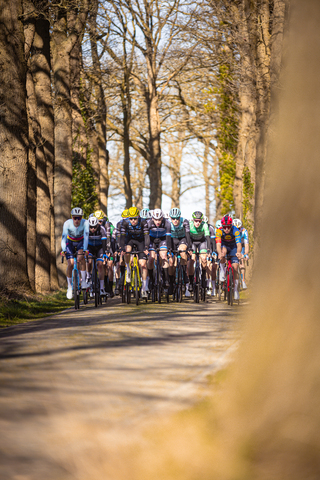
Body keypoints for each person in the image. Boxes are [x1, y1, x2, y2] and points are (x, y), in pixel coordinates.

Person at [120, 206, 150, 297]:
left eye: (135, 219)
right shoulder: (125, 223)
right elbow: (122, 237)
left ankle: (144, 288)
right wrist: (121, 248)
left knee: (143, 265)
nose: (133, 221)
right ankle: (128, 269)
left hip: (140, 241)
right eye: (131, 219)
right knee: (127, 250)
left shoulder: (143, 222)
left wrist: (146, 247)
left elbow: (146, 236)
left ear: (138, 217)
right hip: (129, 240)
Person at [61, 207, 89, 299]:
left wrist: (85, 249)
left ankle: (84, 281)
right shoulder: (67, 223)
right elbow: (64, 238)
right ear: (72, 217)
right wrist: (64, 249)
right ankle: (69, 287)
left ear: (82, 218)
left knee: (81, 258)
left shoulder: (85, 223)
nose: (77, 220)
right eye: (75, 218)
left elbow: (86, 236)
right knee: (70, 264)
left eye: (79, 218)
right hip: (70, 242)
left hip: (81, 241)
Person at [215, 214, 242, 300]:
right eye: (224, 227)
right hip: (224, 246)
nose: (226, 229)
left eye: (228, 227)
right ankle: (222, 270)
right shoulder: (219, 231)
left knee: (235, 267)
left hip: (233, 247)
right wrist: (219, 253)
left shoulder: (235, 230)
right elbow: (218, 245)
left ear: (231, 226)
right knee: (223, 252)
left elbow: (239, 244)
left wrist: (238, 252)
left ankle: (236, 290)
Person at [187, 211, 211, 293]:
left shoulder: (204, 225)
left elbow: (207, 237)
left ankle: (203, 276)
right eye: (196, 221)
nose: (197, 223)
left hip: (202, 242)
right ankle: (190, 282)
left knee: (204, 259)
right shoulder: (189, 225)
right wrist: (189, 248)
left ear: (202, 220)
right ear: (193, 220)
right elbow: (188, 238)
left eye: (199, 221)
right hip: (192, 242)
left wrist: (209, 249)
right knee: (191, 260)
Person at [168, 207, 191, 294]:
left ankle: (185, 274)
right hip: (172, 240)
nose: (175, 220)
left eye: (177, 218)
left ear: (179, 217)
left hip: (182, 239)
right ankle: (171, 282)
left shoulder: (185, 221)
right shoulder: (168, 223)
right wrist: (169, 248)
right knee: (171, 261)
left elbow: (188, 235)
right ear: (170, 218)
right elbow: (167, 237)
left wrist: (189, 247)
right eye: (173, 218)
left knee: (182, 251)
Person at [147, 209, 171, 288]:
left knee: (164, 256)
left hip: (163, 239)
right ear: (152, 218)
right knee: (151, 259)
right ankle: (151, 279)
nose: (157, 222)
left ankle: (166, 279)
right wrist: (146, 247)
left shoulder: (167, 223)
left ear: (162, 218)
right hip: (152, 240)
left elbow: (168, 237)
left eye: (159, 219)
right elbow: (146, 237)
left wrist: (169, 248)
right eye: (156, 219)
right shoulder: (148, 223)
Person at [87, 216, 109, 296]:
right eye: (91, 227)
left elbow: (104, 242)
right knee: (89, 261)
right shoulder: (86, 229)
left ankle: (101, 288)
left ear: (97, 225)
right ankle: (88, 276)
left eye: (94, 227)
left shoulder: (102, 229)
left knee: (100, 265)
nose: (93, 229)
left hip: (99, 247)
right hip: (90, 247)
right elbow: (84, 241)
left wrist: (104, 253)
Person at [233, 218, 249, 289]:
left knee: (241, 261)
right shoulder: (231, 231)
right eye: (235, 228)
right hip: (233, 245)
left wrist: (245, 254)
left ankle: (243, 281)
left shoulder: (244, 231)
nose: (237, 229)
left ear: (241, 227)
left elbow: (246, 245)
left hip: (241, 246)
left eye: (239, 228)